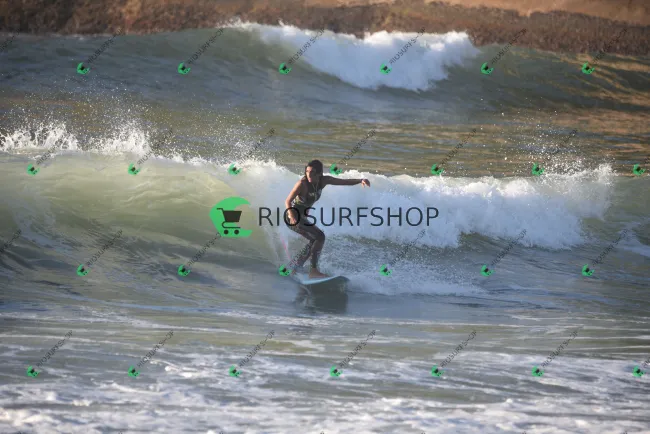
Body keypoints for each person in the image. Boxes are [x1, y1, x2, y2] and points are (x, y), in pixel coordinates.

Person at [284, 159, 370, 278]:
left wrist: (360, 180)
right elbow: (287, 201)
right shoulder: (302, 184)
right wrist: (292, 216)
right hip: (292, 217)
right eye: (307, 171)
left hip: (302, 217)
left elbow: (343, 182)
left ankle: (295, 267)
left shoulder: (323, 181)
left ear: (319, 173)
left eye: (312, 172)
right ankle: (313, 271)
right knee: (320, 236)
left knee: (314, 240)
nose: (309, 174)